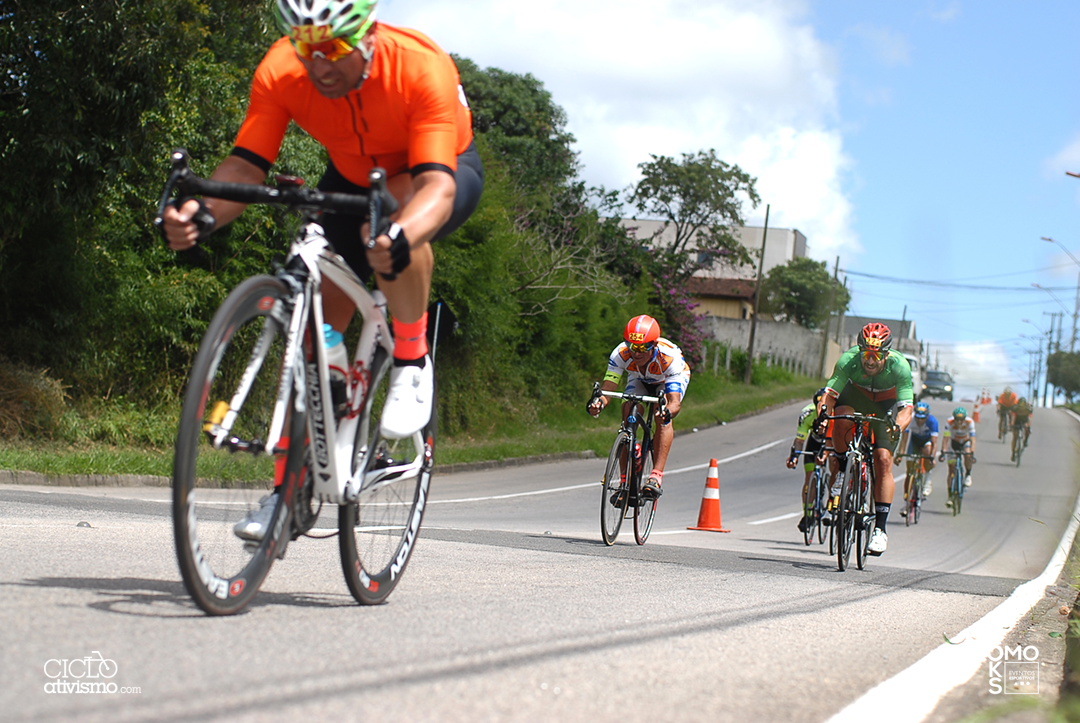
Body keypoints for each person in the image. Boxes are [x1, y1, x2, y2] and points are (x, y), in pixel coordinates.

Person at [161, 0, 484, 540]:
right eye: (308, 49)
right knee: (316, 341)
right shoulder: (283, 68)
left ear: (368, 36)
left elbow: (437, 187)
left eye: (334, 48)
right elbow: (246, 163)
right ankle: (292, 490)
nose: (320, 66)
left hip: (435, 170)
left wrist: (399, 235)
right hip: (352, 175)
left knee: (387, 229)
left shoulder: (420, 65)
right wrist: (203, 213)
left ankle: (409, 355)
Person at [816, 322, 913, 556]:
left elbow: (906, 409)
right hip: (856, 395)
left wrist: (897, 428)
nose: (869, 360)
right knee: (840, 418)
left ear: (886, 354)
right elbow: (829, 395)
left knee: (883, 460)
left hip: (886, 403)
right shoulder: (847, 361)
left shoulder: (900, 366)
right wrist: (822, 414)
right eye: (865, 353)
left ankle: (880, 529)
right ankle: (842, 470)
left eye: (876, 355)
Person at [588, 315, 691, 498]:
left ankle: (656, 476)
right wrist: (598, 403)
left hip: (666, 380)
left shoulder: (670, 358)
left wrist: (667, 412)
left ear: (654, 344)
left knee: (662, 417)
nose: (637, 353)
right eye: (633, 346)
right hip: (639, 378)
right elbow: (608, 389)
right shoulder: (620, 354)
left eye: (643, 347)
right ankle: (624, 480)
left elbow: (675, 402)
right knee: (628, 412)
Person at [787, 388, 829, 532]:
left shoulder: (835, 413)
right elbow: (799, 440)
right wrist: (794, 457)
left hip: (831, 442)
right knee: (809, 478)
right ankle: (808, 514)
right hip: (815, 442)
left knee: (837, 467)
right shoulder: (807, 414)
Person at [895, 400, 938, 517]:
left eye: (922, 418)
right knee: (909, 473)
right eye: (918, 418)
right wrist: (900, 454)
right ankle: (906, 502)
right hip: (914, 442)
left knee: (927, 451)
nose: (919, 421)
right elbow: (904, 439)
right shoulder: (911, 419)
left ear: (927, 416)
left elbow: (934, 443)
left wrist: (931, 458)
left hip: (926, 442)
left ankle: (927, 480)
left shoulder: (932, 422)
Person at [940, 406, 976, 503]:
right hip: (954, 443)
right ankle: (950, 495)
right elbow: (946, 438)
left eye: (961, 420)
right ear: (954, 418)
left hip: (965, 442)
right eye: (957, 419)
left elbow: (973, 439)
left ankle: (968, 474)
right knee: (951, 469)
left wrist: (972, 452)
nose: (959, 422)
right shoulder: (949, 422)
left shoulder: (970, 422)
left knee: (968, 454)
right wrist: (943, 451)